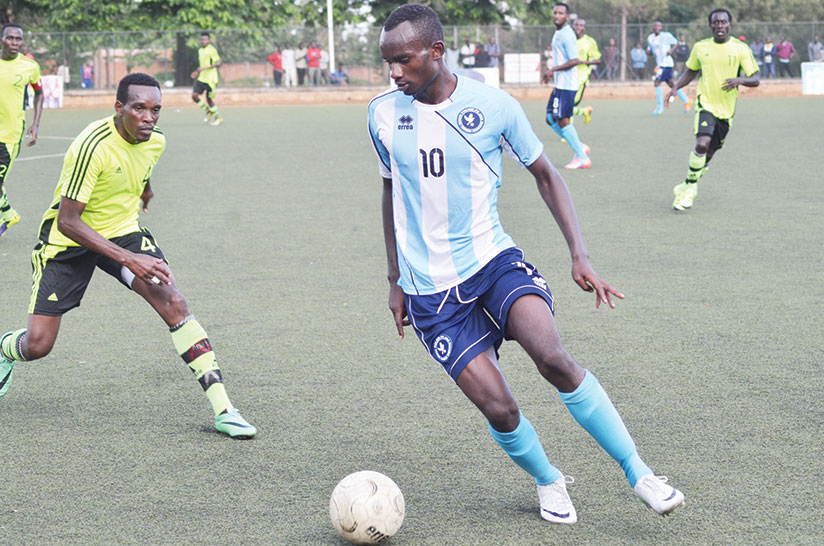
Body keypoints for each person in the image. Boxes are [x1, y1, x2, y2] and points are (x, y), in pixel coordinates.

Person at [370, 3, 685, 524]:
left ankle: (640, 472)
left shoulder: (493, 106)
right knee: (500, 407)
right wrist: (395, 279)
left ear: (437, 52)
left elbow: (546, 174)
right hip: (429, 292)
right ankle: (549, 480)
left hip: (494, 262)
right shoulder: (381, 112)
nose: (394, 73)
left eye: (403, 60)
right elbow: (390, 191)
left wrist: (578, 255)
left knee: (554, 358)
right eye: (388, 62)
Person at [0, 73, 257, 439]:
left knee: (175, 303)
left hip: (123, 230)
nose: (149, 117)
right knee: (38, 345)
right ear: (119, 108)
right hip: (68, 243)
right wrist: (129, 260)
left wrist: (145, 193)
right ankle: (6, 349)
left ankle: (225, 410)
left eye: (156, 110)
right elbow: (68, 221)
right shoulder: (92, 146)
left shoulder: (156, 142)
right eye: (139, 108)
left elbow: (143, 168)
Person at [666, 9, 759, 211]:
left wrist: (740, 80)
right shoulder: (701, 47)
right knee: (701, 144)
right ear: (710, 26)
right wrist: (675, 87)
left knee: (708, 154)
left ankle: (685, 184)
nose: (719, 26)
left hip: (726, 111)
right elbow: (691, 71)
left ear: (729, 25)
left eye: (723, 22)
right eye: (715, 23)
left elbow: (756, 78)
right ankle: (690, 190)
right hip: (706, 104)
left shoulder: (740, 49)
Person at [0, 23, 44, 239]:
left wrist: (35, 123)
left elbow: (39, 93)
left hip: (9, 135)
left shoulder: (29, 66)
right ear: (2, 39)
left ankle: (7, 215)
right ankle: (9, 214)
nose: (15, 43)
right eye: (10, 38)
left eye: (18, 39)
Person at [542, 3, 591, 169]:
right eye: (555, 12)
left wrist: (552, 69)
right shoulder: (558, 33)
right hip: (559, 84)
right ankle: (579, 145)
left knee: (563, 120)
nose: (556, 15)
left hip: (567, 85)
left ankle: (582, 157)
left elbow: (574, 60)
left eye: (560, 13)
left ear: (566, 16)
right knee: (550, 118)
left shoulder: (567, 35)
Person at [647, 21, 691, 115]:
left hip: (666, 63)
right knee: (672, 84)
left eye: (659, 26)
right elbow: (651, 50)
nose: (657, 27)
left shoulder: (666, 36)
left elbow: (677, 43)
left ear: (661, 28)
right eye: (655, 26)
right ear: (653, 27)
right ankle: (687, 100)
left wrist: (671, 51)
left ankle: (660, 108)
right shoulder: (650, 38)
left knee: (657, 83)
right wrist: (648, 52)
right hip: (660, 64)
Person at [190, 32, 222, 126]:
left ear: (209, 40)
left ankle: (218, 117)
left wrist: (204, 69)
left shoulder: (212, 50)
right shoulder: (200, 50)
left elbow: (218, 63)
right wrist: (197, 72)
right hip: (202, 78)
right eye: (202, 39)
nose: (203, 41)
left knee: (209, 100)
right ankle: (207, 110)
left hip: (211, 79)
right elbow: (202, 65)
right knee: (194, 96)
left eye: (205, 39)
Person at [572, 18, 600, 125]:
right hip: (568, 76)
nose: (578, 27)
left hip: (581, 78)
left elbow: (598, 60)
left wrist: (582, 62)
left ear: (584, 28)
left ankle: (568, 132)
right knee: (565, 105)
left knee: (569, 105)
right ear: (573, 26)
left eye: (581, 25)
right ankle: (584, 111)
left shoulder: (589, 41)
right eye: (576, 25)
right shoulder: (569, 39)